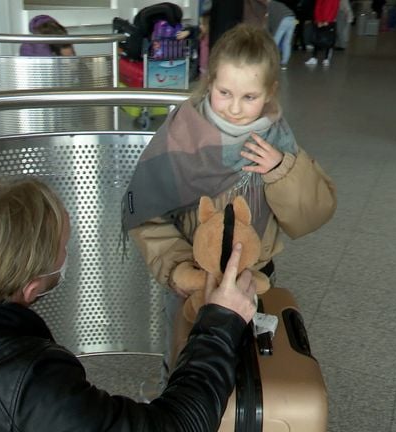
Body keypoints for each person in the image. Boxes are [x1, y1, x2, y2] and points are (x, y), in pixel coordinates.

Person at [0, 177, 258, 431]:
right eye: (63, 248)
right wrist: (220, 323)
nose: (66, 255)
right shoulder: (22, 377)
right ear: (33, 287)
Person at [122, 24, 337, 380]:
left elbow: (314, 214)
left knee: (242, 372)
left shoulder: (277, 143)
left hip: (251, 282)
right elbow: (146, 214)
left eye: (250, 97)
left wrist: (283, 171)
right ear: (210, 82)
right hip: (189, 284)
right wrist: (177, 268)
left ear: (270, 92)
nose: (235, 108)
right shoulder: (180, 136)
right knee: (182, 365)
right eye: (224, 93)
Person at [305, 0, 339, 66]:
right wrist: (318, 20)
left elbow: (334, 9)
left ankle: (326, 58)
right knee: (316, 38)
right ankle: (314, 58)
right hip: (319, 21)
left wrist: (328, 20)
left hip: (329, 21)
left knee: (328, 39)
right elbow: (318, 7)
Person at [268, 0, 297, 70]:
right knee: (287, 42)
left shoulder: (268, 5)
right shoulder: (277, 3)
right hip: (293, 19)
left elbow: (271, 21)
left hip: (283, 20)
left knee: (275, 42)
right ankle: (284, 63)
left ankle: (271, 62)